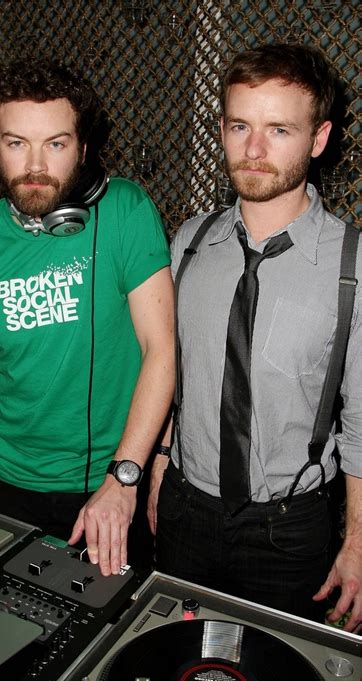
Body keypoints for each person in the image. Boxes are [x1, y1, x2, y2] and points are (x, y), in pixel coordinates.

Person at [0, 58, 174, 578]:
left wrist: (125, 477)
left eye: (56, 144)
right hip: (11, 483)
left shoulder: (128, 211)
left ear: (84, 149)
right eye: (16, 142)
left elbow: (161, 350)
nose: (35, 165)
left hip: (109, 481)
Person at [149, 43, 361, 631]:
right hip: (185, 507)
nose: (255, 150)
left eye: (279, 129)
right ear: (221, 127)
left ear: (318, 139)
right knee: (177, 663)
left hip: (289, 529)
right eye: (240, 125)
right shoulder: (189, 242)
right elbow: (174, 372)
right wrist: (161, 461)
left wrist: (360, 544)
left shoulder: (354, 264)